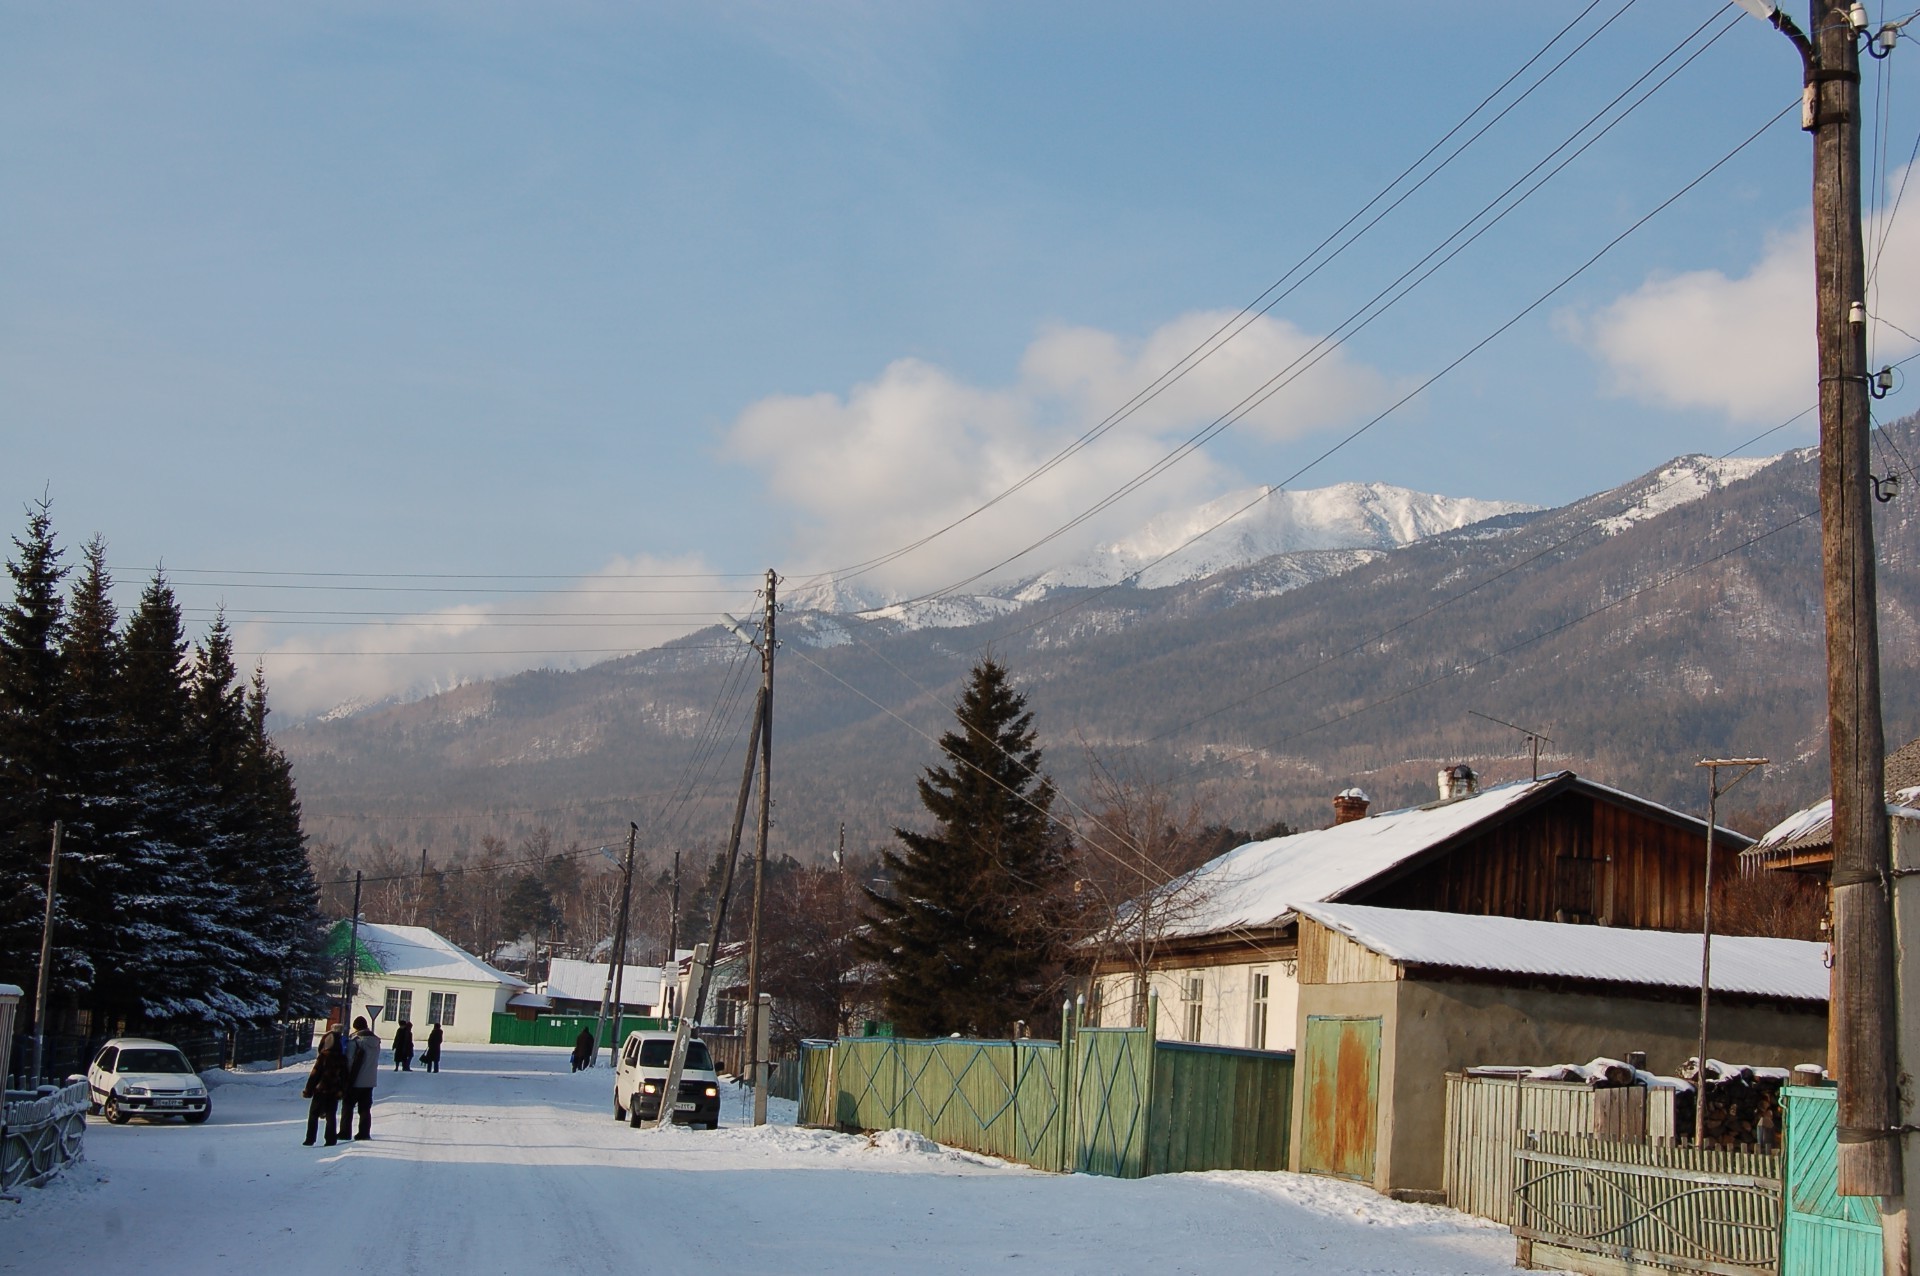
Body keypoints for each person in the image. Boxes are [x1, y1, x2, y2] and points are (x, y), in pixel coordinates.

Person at [301, 1026, 350, 1146]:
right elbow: (345, 1077)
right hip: (334, 1091)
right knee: (331, 1115)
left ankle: (310, 1139)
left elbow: (315, 1074)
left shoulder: (323, 1056)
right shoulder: (342, 1058)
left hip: (321, 1090)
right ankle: (330, 1139)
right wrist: (342, 1090)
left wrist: (308, 1090)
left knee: (313, 1114)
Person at [346, 1016, 381, 1139]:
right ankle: (364, 1133)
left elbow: (350, 1060)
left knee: (348, 1106)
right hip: (370, 1080)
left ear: (355, 1027)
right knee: (365, 1108)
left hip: (355, 1080)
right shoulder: (376, 1042)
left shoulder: (356, 1041)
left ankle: (345, 1132)